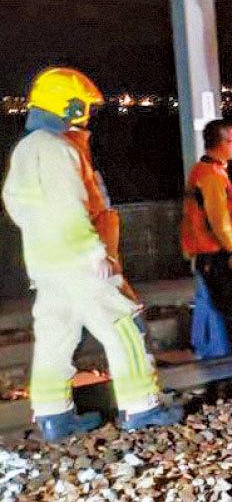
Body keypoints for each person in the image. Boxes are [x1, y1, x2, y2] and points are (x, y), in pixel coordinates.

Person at [2, 67, 183, 440]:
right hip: (80, 262)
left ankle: (53, 416)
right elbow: (69, 206)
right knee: (123, 325)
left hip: (46, 264)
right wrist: (92, 251)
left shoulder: (27, 149)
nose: (87, 112)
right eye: (83, 105)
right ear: (68, 105)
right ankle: (142, 406)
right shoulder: (58, 149)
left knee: (55, 337)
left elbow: (20, 207)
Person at [180, 119, 232, 360]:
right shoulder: (212, 175)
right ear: (220, 143)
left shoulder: (204, 170)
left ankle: (203, 349)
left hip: (205, 253)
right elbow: (219, 221)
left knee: (206, 301)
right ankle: (219, 354)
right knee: (222, 303)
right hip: (216, 253)